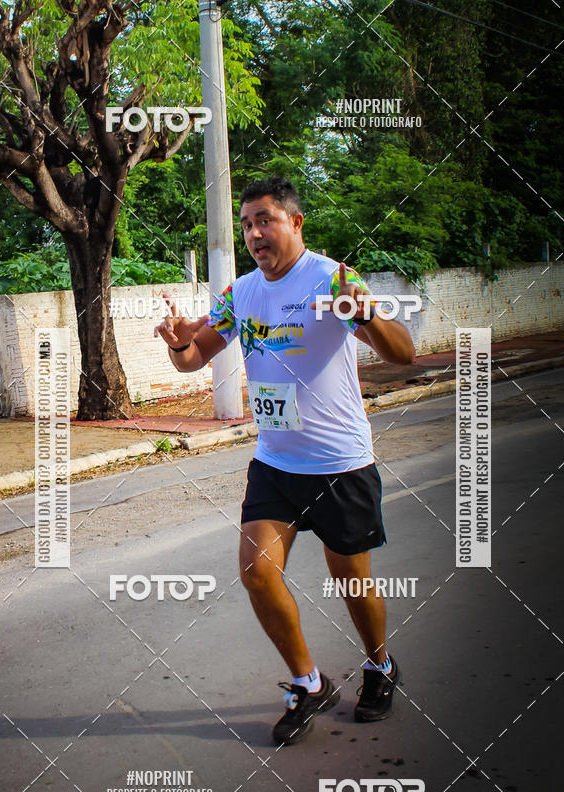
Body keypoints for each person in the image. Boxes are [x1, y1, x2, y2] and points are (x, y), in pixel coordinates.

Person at [154, 176, 415, 746]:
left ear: (295, 223)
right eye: (246, 223)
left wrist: (365, 313)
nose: (253, 233)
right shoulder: (242, 293)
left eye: (264, 220)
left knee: (351, 582)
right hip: (275, 463)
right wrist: (178, 342)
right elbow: (196, 358)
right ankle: (308, 682)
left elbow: (403, 353)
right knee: (255, 573)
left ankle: (379, 665)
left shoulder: (331, 278)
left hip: (340, 462)